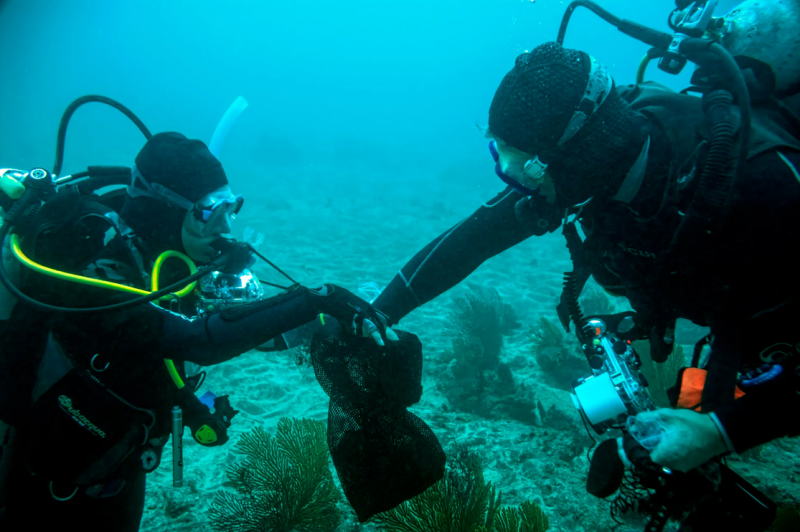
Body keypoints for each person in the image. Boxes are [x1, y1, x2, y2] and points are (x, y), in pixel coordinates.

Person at [372, 41, 800, 479]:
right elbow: (476, 237)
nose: (519, 186)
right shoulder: (595, 163)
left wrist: (720, 432)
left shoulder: (768, 191)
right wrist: (377, 313)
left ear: (581, 153)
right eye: (506, 162)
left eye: (527, 168)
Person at [0, 131, 394, 531]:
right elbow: (199, 340)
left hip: (118, 467)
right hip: (31, 481)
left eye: (231, 207)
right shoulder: (95, 269)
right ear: (165, 209)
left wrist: (329, 321)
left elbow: (244, 326)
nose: (225, 227)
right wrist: (315, 299)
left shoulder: (173, 264)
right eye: (209, 210)